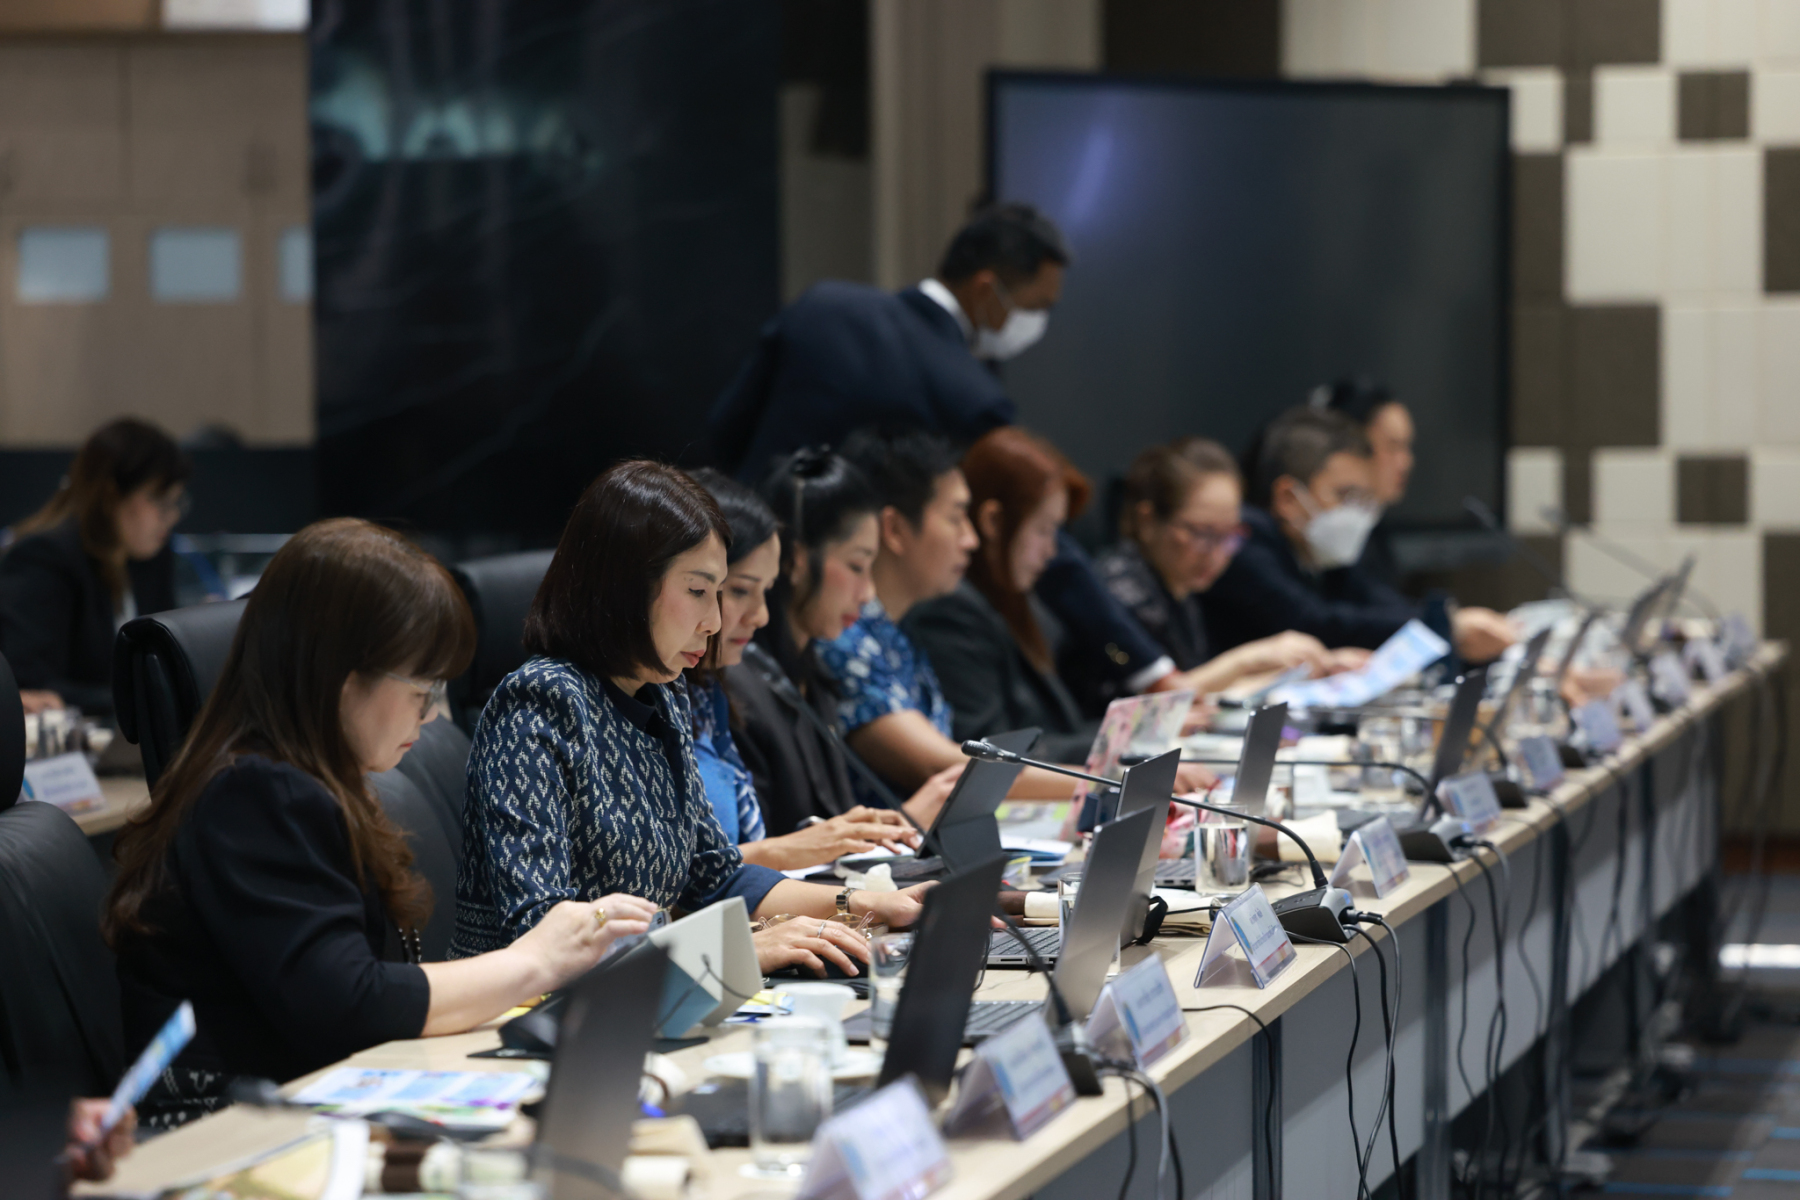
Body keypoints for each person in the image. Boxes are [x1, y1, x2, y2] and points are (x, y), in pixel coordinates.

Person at [103, 519, 658, 1129]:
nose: (432, 714)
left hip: (298, 1100)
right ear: (343, 681)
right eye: (422, 687)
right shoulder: (256, 795)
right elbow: (348, 1004)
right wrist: (536, 960)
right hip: (220, 1131)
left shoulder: (300, 781)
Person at [453, 461, 926, 976]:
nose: (715, 622)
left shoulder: (662, 693)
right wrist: (735, 952)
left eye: (719, 593)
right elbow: (540, 930)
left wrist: (870, 904)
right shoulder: (537, 705)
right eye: (699, 592)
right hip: (521, 1013)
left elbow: (716, 877)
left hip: (642, 998)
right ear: (626, 587)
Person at [705, 203, 1179, 715]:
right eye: (1037, 305)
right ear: (986, 288)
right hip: (825, 607)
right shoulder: (967, 392)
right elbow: (1039, 537)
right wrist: (1141, 664)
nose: (1038, 323)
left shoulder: (822, 305)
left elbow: (726, 426)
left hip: (727, 565)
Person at [685, 468, 928, 870]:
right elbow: (685, 877)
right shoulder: (731, 684)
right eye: (739, 590)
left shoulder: (708, 694)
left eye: (763, 592)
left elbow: (732, 867)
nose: (759, 615)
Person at [729, 451, 964, 833]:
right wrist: (905, 822)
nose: (867, 592)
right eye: (856, 566)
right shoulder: (741, 683)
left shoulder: (812, 677)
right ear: (797, 558)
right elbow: (764, 852)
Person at [902, 428, 1144, 763]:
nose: (1052, 550)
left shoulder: (1021, 604)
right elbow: (991, 753)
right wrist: (1126, 744)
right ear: (993, 521)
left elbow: (1058, 731)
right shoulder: (952, 610)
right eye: (1043, 530)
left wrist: (1131, 736)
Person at [1201, 407, 1516, 660]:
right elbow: (1317, 622)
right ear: (1287, 498)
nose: (1355, 513)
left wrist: (1449, 620)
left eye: (1362, 498)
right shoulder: (1242, 541)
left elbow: (1374, 601)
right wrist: (1442, 626)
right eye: (1344, 495)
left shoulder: (1318, 551)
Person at [1097, 439, 1354, 694]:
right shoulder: (1121, 594)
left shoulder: (1180, 588)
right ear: (1147, 521)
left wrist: (1310, 668)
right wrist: (1247, 660)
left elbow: (1201, 691)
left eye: (1230, 535)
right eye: (1203, 533)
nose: (1218, 555)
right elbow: (1148, 704)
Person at [1, 418, 190, 714]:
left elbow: (167, 659)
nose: (171, 516)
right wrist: (144, 701)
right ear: (111, 495)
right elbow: (31, 684)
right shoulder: (44, 558)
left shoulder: (153, 556)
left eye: (175, 502)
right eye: (159, 500)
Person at [1312, 379, 1414, 589]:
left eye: (1407, 447)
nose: (1406, 463)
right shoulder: (1328, 528)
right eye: (1392, 447)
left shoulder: (1374, 528)